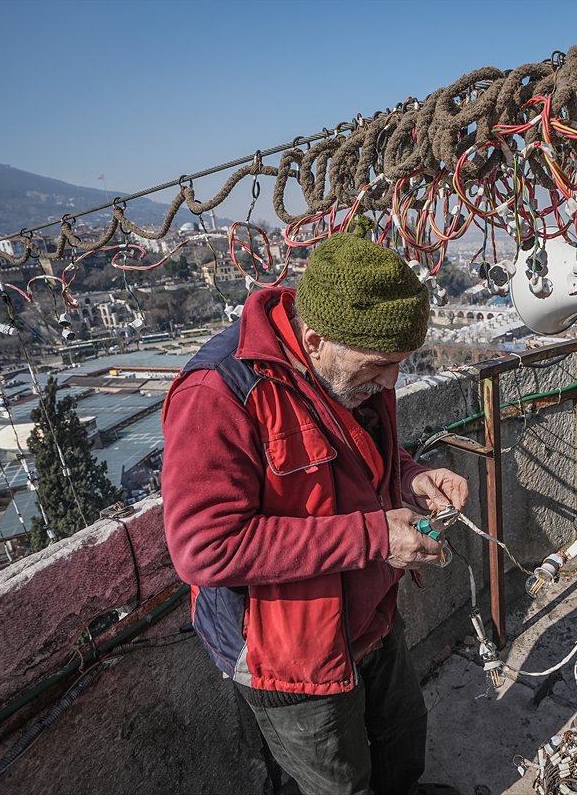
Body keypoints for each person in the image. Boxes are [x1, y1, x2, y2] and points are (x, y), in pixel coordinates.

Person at [162, 222, 469, 795]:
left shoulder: (349, 370)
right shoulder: (218, 394)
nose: (390, 381)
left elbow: (360, 455)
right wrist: (375, 538)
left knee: (403, 740)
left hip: (371, 614)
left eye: (399, 364)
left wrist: (412, 476)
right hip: (290, 651)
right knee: (340, 783)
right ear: (314, 340)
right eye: (379, 365)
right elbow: (205, 549)